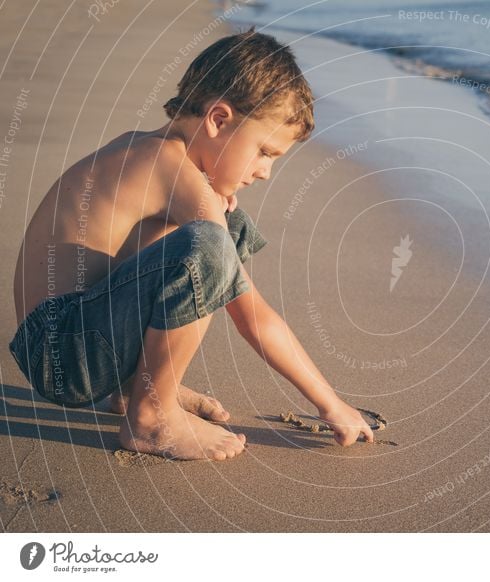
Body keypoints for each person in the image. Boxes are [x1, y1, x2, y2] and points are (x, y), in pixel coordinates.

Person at [8, 28, 374, 461]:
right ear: (218, 120)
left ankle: (134, 388)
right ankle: (151, 416)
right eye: (264, 152)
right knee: (213, 244)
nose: (264, 172)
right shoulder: (167, 166)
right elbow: (251, 315)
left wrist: (214, 216)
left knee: (222, 230)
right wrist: (330, 403)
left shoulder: (146, 149)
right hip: (65, 354)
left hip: (59, 344)